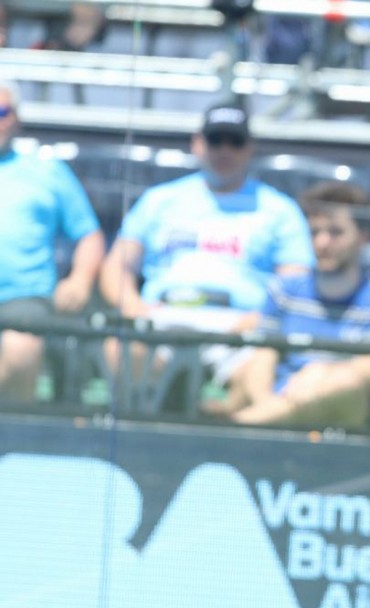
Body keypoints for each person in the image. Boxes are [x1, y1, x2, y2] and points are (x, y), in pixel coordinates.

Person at [99, 103, 313, 393]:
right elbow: (117, 265)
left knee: (262, 368)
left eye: (235, 142)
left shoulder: (280, 209)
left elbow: (296, 282)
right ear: (197, 144)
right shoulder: (159, 200)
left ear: (250, 148)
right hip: (163, 315)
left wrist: (263, 319)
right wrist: (134, 308)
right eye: (215, 140)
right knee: (119, 349)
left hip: (242, 324)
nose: (225, 151)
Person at [206, 181, 370, 428]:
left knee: (344, 380)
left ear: (363, 238)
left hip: (339, 416)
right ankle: (256, 422)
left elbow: (367, 374)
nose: (322, 242)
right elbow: (263, 354)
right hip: (278, 398)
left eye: (335, 232)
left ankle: (239, 426)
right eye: (314, 232)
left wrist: (318, 375)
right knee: (246, 367)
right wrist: (270, 405)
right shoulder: (284, 289)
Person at [0, 78, 104, 402]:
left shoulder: (47, 171)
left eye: (1, 111)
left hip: (25, 297)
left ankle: (16, 442)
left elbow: (88, 234)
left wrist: (80, 280)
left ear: (16, 117)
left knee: (21, 349)